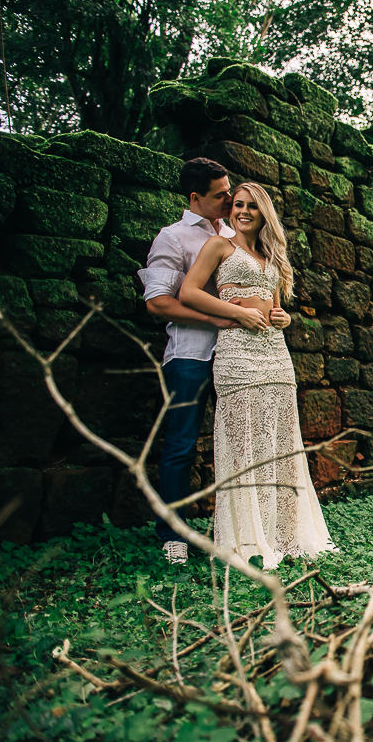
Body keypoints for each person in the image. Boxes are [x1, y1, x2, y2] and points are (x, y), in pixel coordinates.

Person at [179, 182, 337, 570]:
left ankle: (283, 533)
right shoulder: (219, 246)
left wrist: (283, 318)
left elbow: (276, 307)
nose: (243, 211)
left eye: (251, 206)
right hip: (237, 353)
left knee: (280, 443)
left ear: (263, 212)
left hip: (275, 356)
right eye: (237, 205)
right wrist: (236, 312)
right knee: (243, 444)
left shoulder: (272, 256)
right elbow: (189, 292)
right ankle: (246, 536)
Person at [138, 158, 239, 565]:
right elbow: (157, 302)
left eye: (230, 190)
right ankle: (173, 536)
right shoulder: (173, 237)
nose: (230, 199)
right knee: (181, 445)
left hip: (237, 354)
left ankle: (236, 532)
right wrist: (213, 318)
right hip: (190, 355)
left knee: (239, 442)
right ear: (195, 197)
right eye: (220, 195)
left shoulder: (237, 234)